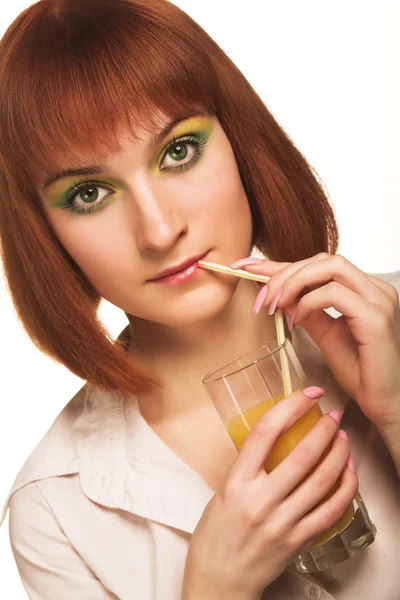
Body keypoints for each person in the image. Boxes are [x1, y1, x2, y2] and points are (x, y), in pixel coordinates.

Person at [0, 0, 399, 598]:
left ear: (238, 139)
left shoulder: (390, 320)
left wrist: (396, 413)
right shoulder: (56, 512)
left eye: (178, 151)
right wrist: (214, 588)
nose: (159, 231)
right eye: (89, 193)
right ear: (43, 233)